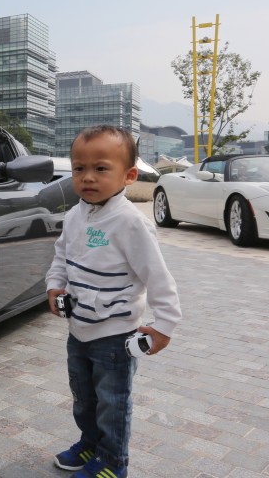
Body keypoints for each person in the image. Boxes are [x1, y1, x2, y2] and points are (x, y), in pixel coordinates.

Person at [45, 125, 182, 478]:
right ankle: (90, 444)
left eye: (101, 168)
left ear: (129, 175)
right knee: (84, 398)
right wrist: (54, 286)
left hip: (114, 337)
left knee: (112, 403)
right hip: (79, 331)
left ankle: (112, 462)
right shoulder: (75, 215)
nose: (88, 177)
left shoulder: (130, 223)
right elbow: (61, 255)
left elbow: (158, 277)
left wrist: (164, 325)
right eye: (79, 168)